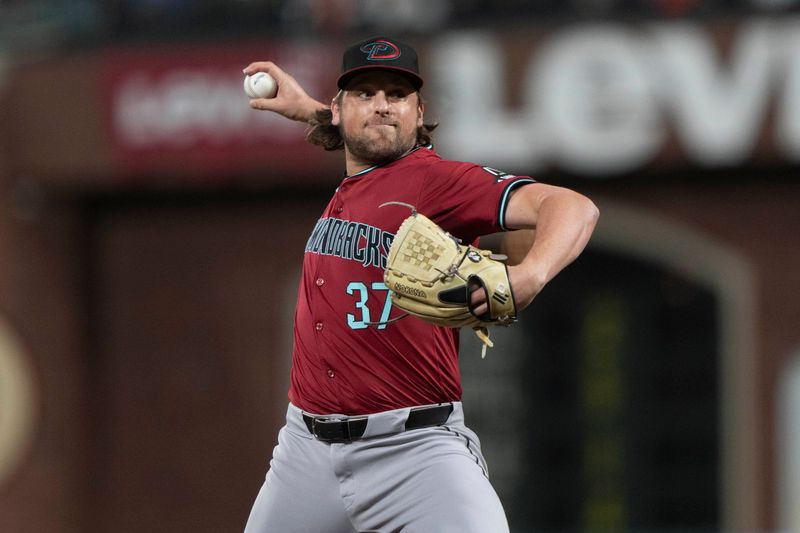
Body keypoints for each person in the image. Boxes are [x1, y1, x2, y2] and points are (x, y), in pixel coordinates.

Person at [241, 36, 599, 533]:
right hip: (305, 450)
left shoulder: (437, 183)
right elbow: (362, 137)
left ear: (418, 112)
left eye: (397, 95)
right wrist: (310, 112)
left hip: (414, 451)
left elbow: (574, 207)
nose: (383, 105)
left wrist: (527, 276)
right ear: (341, 110)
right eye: (365, 93)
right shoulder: (358, 176)